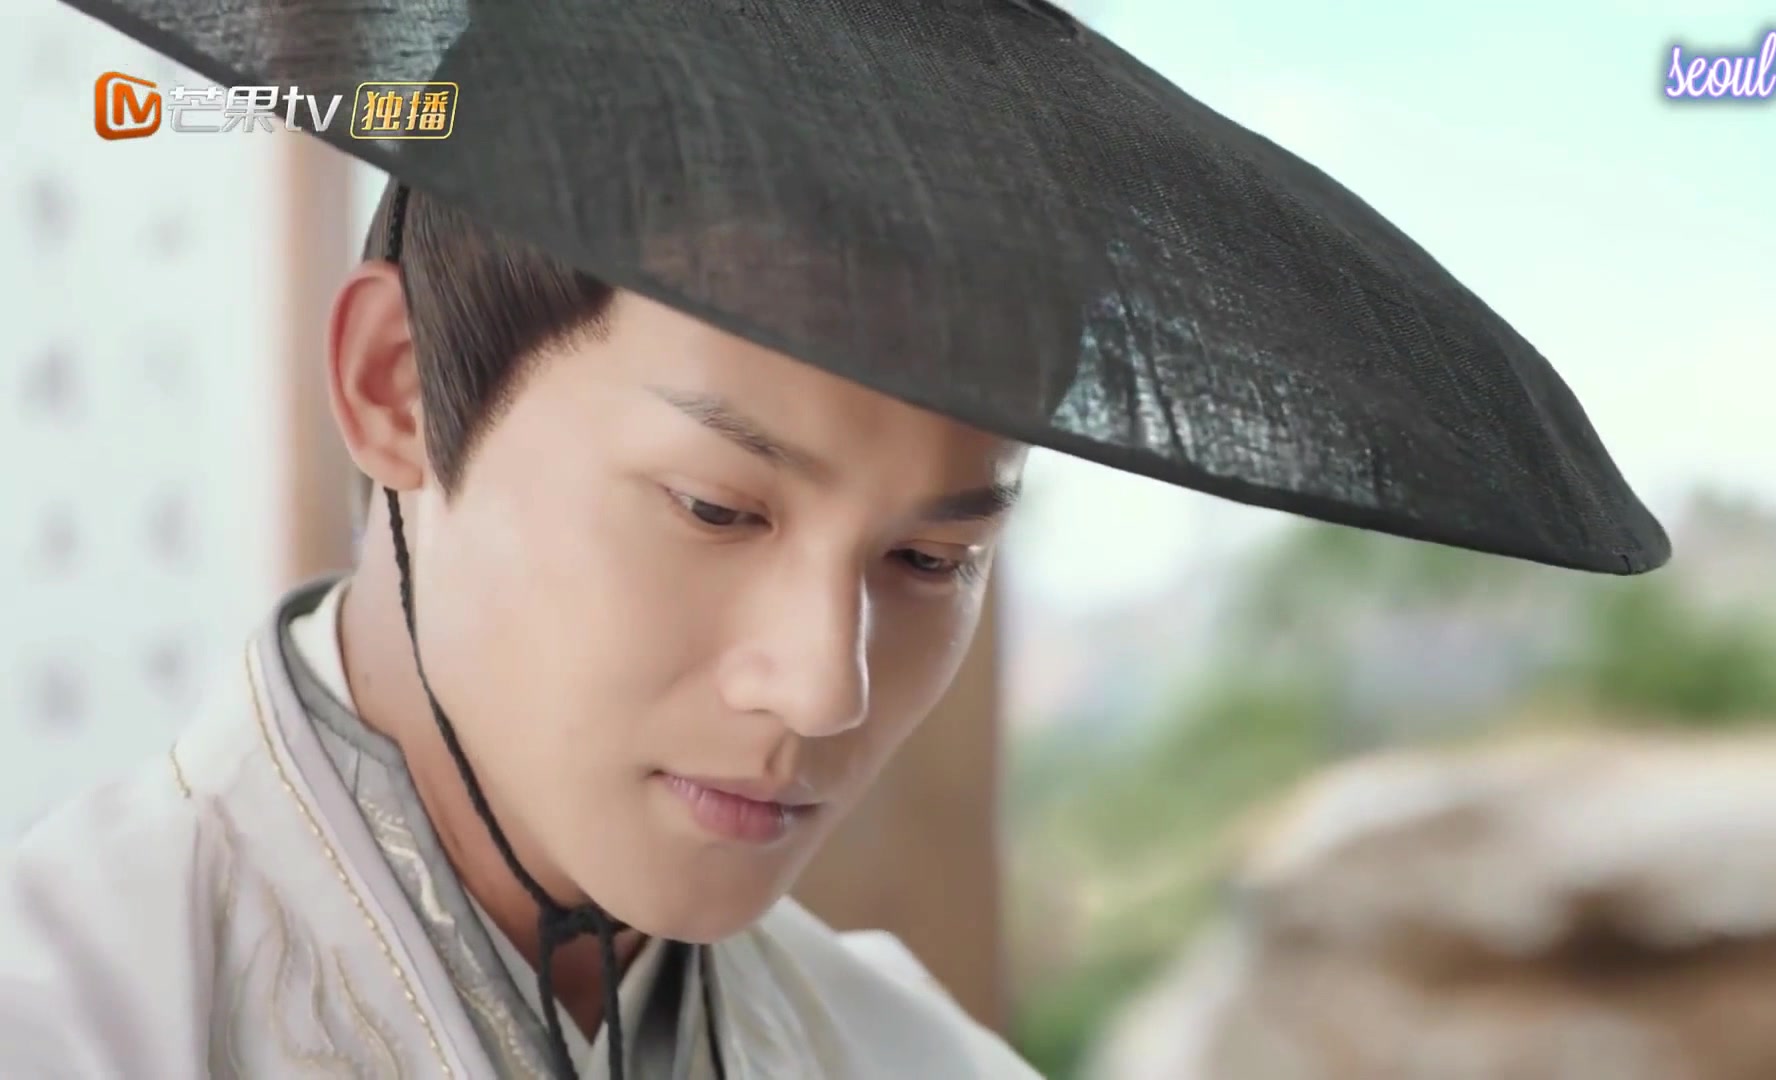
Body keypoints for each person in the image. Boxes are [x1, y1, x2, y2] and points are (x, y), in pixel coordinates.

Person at [7, 0, 1669, 1076]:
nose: (824, 685)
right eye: (717, 507)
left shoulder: (909, 1057)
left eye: (931, 562)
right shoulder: (69, 1016)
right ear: (394, 389)